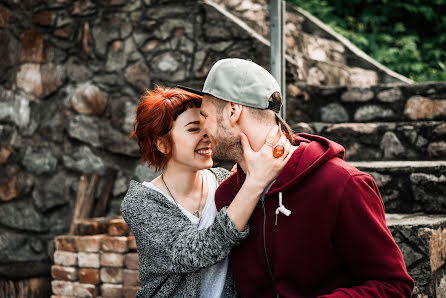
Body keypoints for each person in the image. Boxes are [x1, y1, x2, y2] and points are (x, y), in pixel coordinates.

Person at [179, 58, 415, 297]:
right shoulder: (228, 194)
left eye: (206, 116)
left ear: (232, 111)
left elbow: (394, 286)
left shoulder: (341, 184)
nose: (203, 131)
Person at [120, 86, 292, 297]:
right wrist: (254, 182)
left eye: (206, 126)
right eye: (193, 129)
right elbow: (194, 252)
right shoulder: (140, 203)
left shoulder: (224, 181)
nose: (207, 136)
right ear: (162, 144)